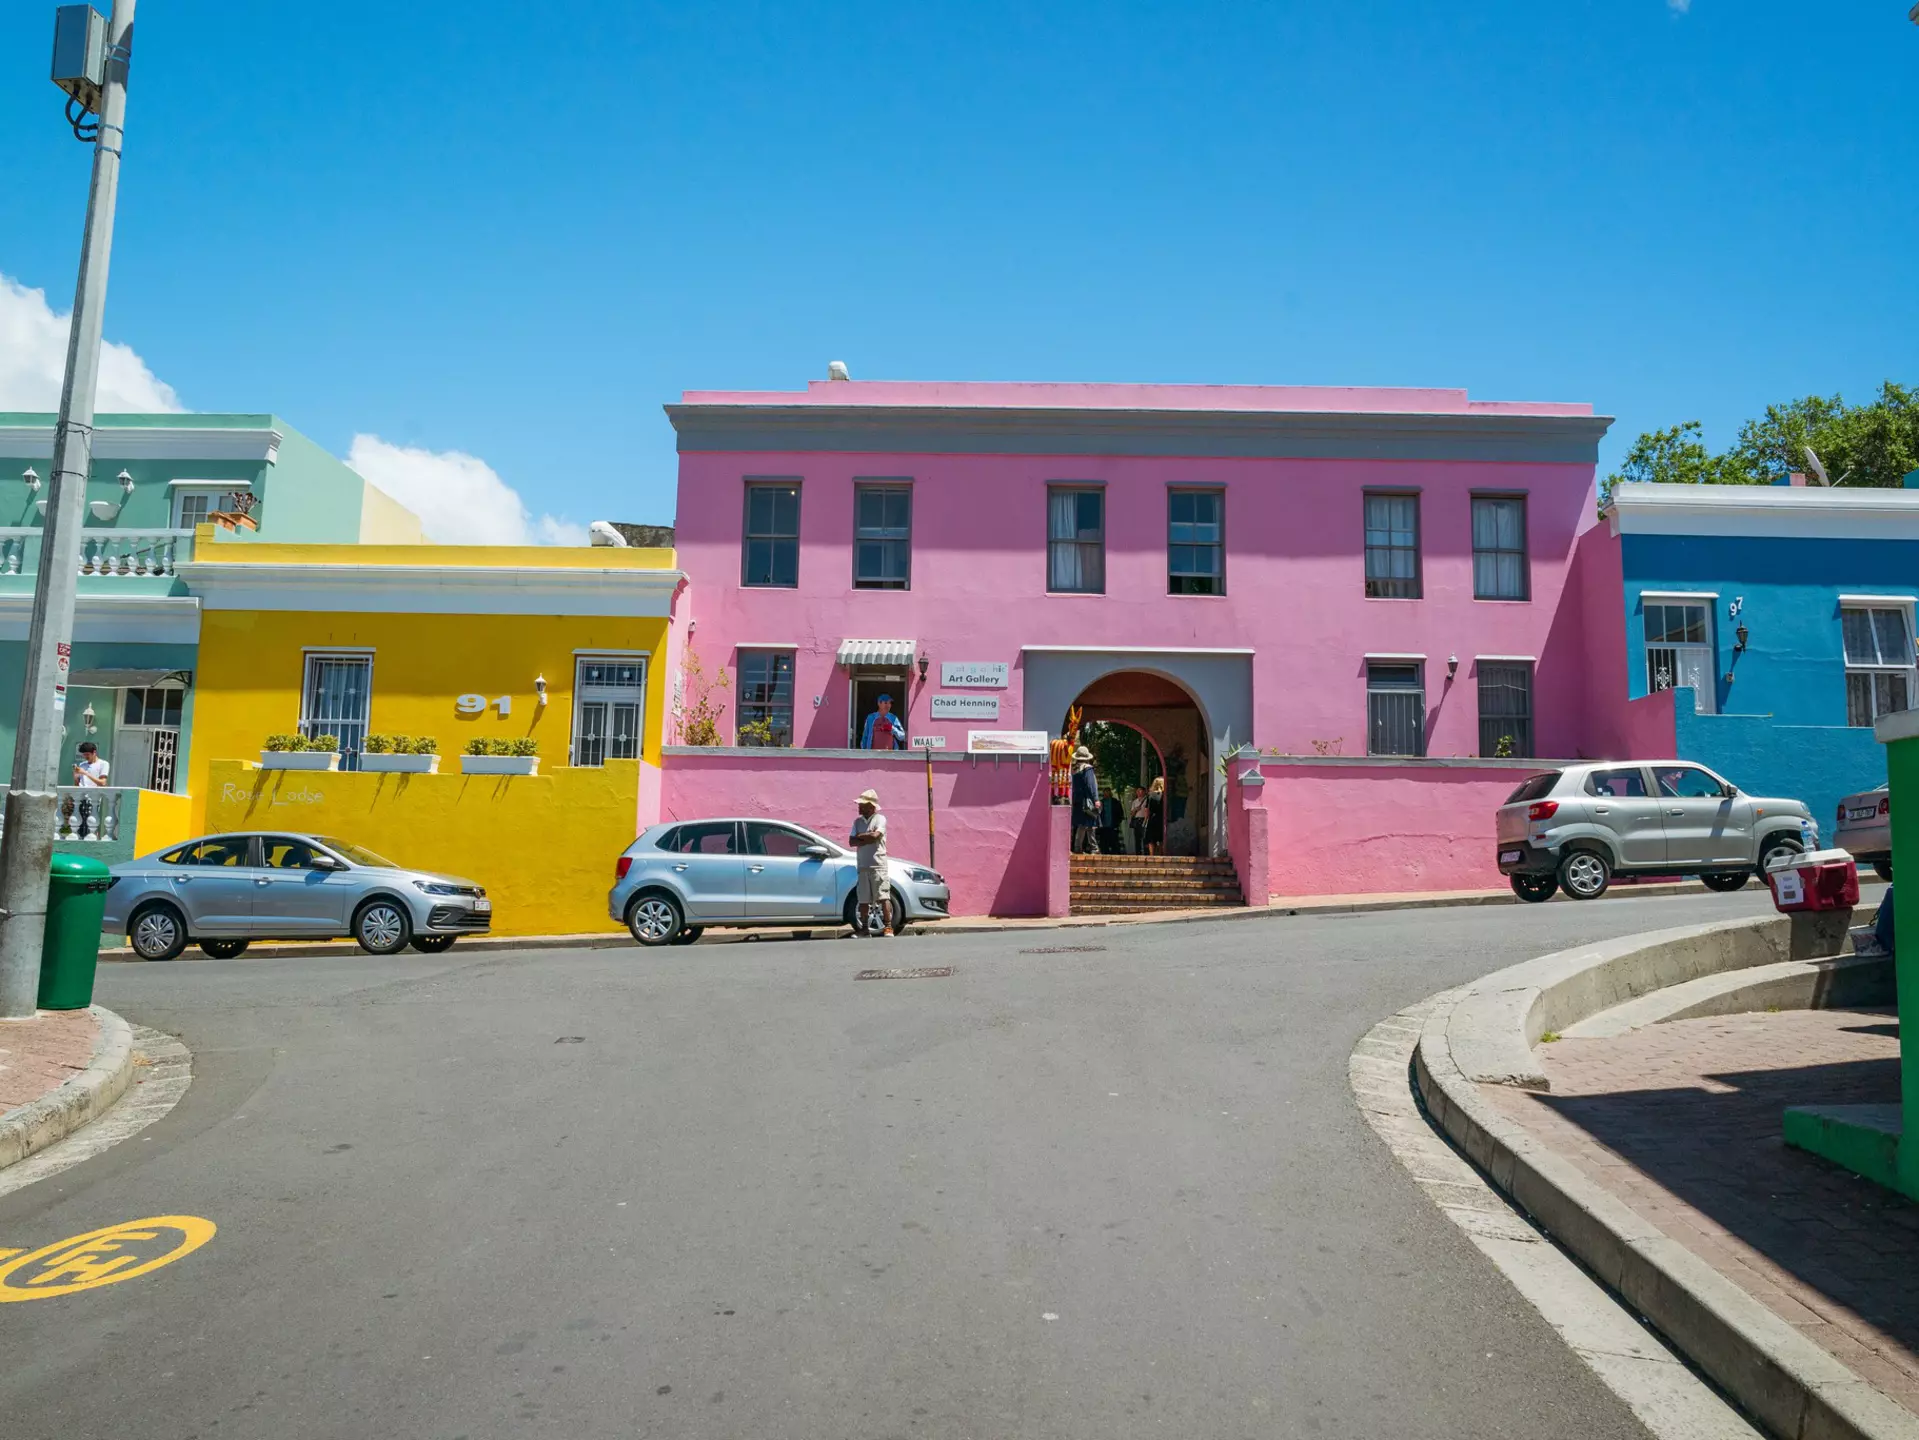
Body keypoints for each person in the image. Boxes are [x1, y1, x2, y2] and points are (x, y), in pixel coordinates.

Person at [848, 787, 891, 936]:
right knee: (863, 899)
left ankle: (888, 927)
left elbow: (875, 836)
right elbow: (851, 841)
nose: (859, 807)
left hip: (878, 865)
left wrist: (861, 837)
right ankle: (864, 929)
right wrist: (865, 837)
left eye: (862, 805)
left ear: (871, 807)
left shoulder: (880, 819)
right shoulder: (857, 821)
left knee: (883, 896)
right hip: (863, 866)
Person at [1070, 746, 1100, 854]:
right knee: (1091, 824)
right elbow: (1091, 785)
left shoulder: (1074, 770)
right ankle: (1094, 848)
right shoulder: (1088, 769)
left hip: (1077, 801)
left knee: (1081, 824)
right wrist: (1095, 799)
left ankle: (1078, 847)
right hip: (1087, 801)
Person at [1144, 775, 1166, 856]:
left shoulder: (1151, 795)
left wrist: (1145, 820)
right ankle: (1161, 854)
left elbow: (1147, 809)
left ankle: (1152, 855)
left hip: (1152, 818)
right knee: (1161, 838)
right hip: (1162, 818)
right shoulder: (1165, 795)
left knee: (1151, 838)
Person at [1128, 786, 1149, 855]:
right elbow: (1131, 813)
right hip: (1137, 820)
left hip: (1144, 819)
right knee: (1137, 838)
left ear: (1144, 792)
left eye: (1140, 791)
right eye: (1137, 791)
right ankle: (1138, 853)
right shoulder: (1135, 801)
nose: (1139, 793)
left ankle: (1146, 853)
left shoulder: (1147, 800)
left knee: (1144, 837)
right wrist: (1135, 809)